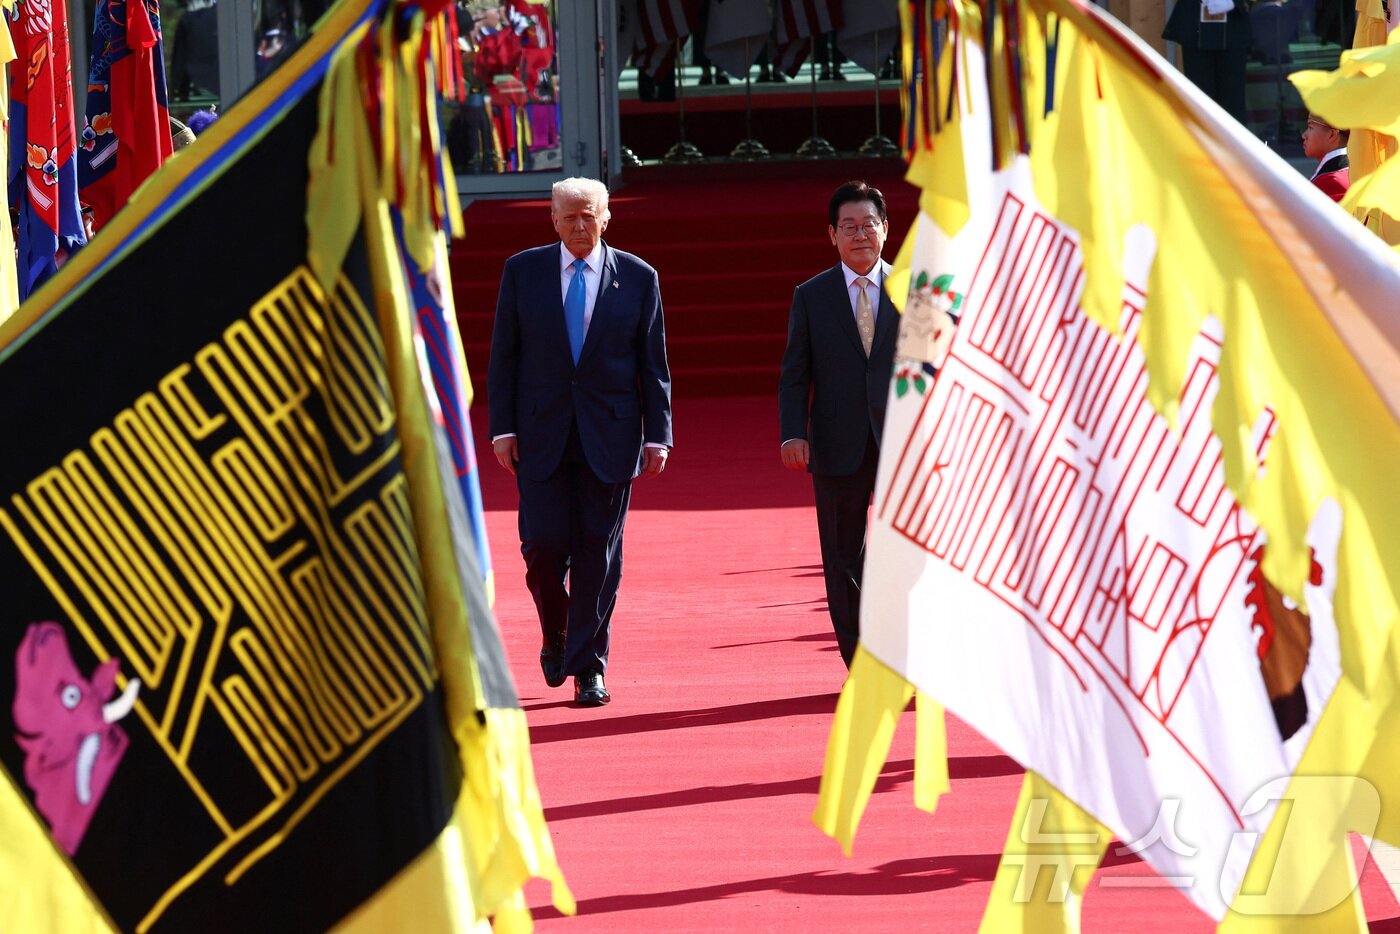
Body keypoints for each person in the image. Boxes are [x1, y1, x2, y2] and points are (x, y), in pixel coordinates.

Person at [488, 177, 673, 707]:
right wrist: (503, 428)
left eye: (588, 215)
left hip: (611, 435)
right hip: (540, 434)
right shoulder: (522, 272)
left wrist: (657, 435)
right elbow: (504, 355)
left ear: (607, 218)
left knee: (599, 554)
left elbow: (652, 365)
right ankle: (558, 632)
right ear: (552, 218)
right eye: (569, 216)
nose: (578, 225)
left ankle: (589, 666)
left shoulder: (639, 278)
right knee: (542, 547)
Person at [778, 181, 897, 669]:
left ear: (885, 229)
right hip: (836, 442)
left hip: (903, 444)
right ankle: (862, 663)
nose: (860, 234)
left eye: (869, 224)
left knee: (902, 560)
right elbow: (794, 372)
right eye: (848, 226)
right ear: (832, 235)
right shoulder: (812, 296)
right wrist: (793, 432)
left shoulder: (918, 286)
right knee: (843, 558)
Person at [1162, 0, 1252, 125]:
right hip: (1194, 25)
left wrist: (1235, 2)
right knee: (1199, 104)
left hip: (1232, 28)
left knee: (1233, 107)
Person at [1302, 114, 1350, 202]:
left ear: (1332, 134)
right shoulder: (1346, 173)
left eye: (1310, 127)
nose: (1304, 135)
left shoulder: (1333, 182)